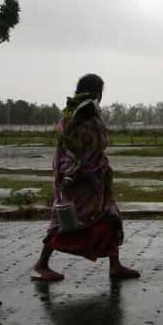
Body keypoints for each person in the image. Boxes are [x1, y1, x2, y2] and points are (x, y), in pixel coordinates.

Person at [31, 73, 140, 282]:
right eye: (100, 91)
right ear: (95, 91)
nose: (101, 96)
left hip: (96, 180)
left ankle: (115, 265)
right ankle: (41, 263)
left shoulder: (86, 113)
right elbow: (71, 148)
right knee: (66, 221)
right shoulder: (77, 115)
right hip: (79, 179)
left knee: (109, 216)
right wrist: (72, 174)